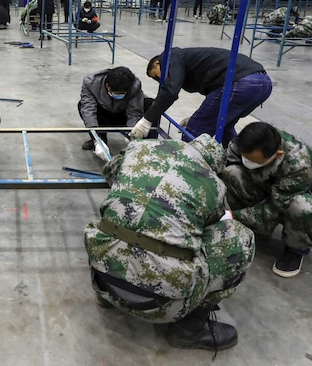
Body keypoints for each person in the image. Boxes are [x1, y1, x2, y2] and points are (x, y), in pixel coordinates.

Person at [85, 134, 254, 351]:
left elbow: (110, 172)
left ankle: (105, 298)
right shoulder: (214, 185)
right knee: (238, 237)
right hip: (161, 307)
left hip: (102, 277)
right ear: (212, 165)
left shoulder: (141, 149)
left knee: (117, 219)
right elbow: (211, 227)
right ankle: (189, 329)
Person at [220, 122, 312, 277]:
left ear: (278, 154)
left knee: (301, 207)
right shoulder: (244, 142)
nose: (247, 161)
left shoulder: (300, 164)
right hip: (269, 185)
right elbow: (225, 168)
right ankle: (242, 227)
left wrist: (232, 215)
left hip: (302, 196)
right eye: (245, 157)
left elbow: (275, 207)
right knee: (232, 173)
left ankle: (296, 248)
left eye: (253, 160)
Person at [133, 47, 272, 148]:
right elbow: (214, 99)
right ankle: (236, 160)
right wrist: (205, 116)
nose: (159, 79)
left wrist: (146, 120)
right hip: (262, 82)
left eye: (156, 74)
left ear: (158, 63)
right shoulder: (189, 63)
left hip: (242, 81)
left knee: (195, 128)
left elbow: (170, 91)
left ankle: (187, 172)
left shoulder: (170, 56)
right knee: (223, 126)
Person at [78, 66, 153, 160]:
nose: (120, 95)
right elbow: (88, 110)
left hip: (122, 114)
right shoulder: (91, 83)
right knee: (82, 105)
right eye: (117, 93)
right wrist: (96, 140)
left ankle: (142, 144)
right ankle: (101, 139)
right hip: (104, 113)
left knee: (148, 104)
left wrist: (133, 134)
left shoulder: (134, 85)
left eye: (123, 93)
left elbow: (134, 111)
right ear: (107, 86)